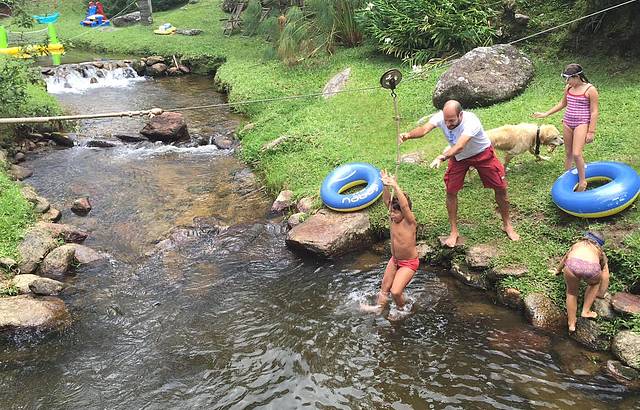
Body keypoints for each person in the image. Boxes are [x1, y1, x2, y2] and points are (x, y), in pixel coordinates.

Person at [400, 100, 519, 247]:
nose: (448, 124)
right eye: (446, 120)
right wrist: (408, 135)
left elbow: (460, 146)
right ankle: (454, 231)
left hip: (482, 154)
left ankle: (507, 224)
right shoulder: (441, 117)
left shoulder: (471, 121)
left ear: (460, 115)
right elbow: (424, 130)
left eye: (452, 121)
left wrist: (442, 156)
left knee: (500, 188)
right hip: (459, 159)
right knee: (451, 191)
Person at [533, 63, 599, 192]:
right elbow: (563, 103)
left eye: (568, 78)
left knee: (576, 153)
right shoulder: (568, 87)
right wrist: (545, 113)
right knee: (568, 153)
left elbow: (594, 112)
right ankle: (566, 178)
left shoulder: (590, 90)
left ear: (577, 76)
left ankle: (582, 181)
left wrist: (591, 131)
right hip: (568, 122)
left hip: (582, 123)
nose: (567, 81)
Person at [361, 170, 418, 316]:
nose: (391, 214)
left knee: (396, 291)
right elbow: (387, 200)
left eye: (395, 212)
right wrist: (385, 184)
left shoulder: (409, 222)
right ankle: (379, 308)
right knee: (384, 288)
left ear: (403, 213)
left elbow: (404, 207)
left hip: (408, 262)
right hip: (395, 260)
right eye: (391, 211)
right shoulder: (392, 218)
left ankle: (402, 310)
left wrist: (396, 186)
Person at [556, 231, 610, 332]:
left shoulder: (577, 245)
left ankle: (571, 324)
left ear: (585, 238)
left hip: (573, 265)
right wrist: (601, 294)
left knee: (571, 293)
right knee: (594, 284)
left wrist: (557, 271)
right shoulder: (600, 253)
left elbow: (564, 259)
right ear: (599, 244)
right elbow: (605, 274)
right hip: (591, 268)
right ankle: (586, 311)